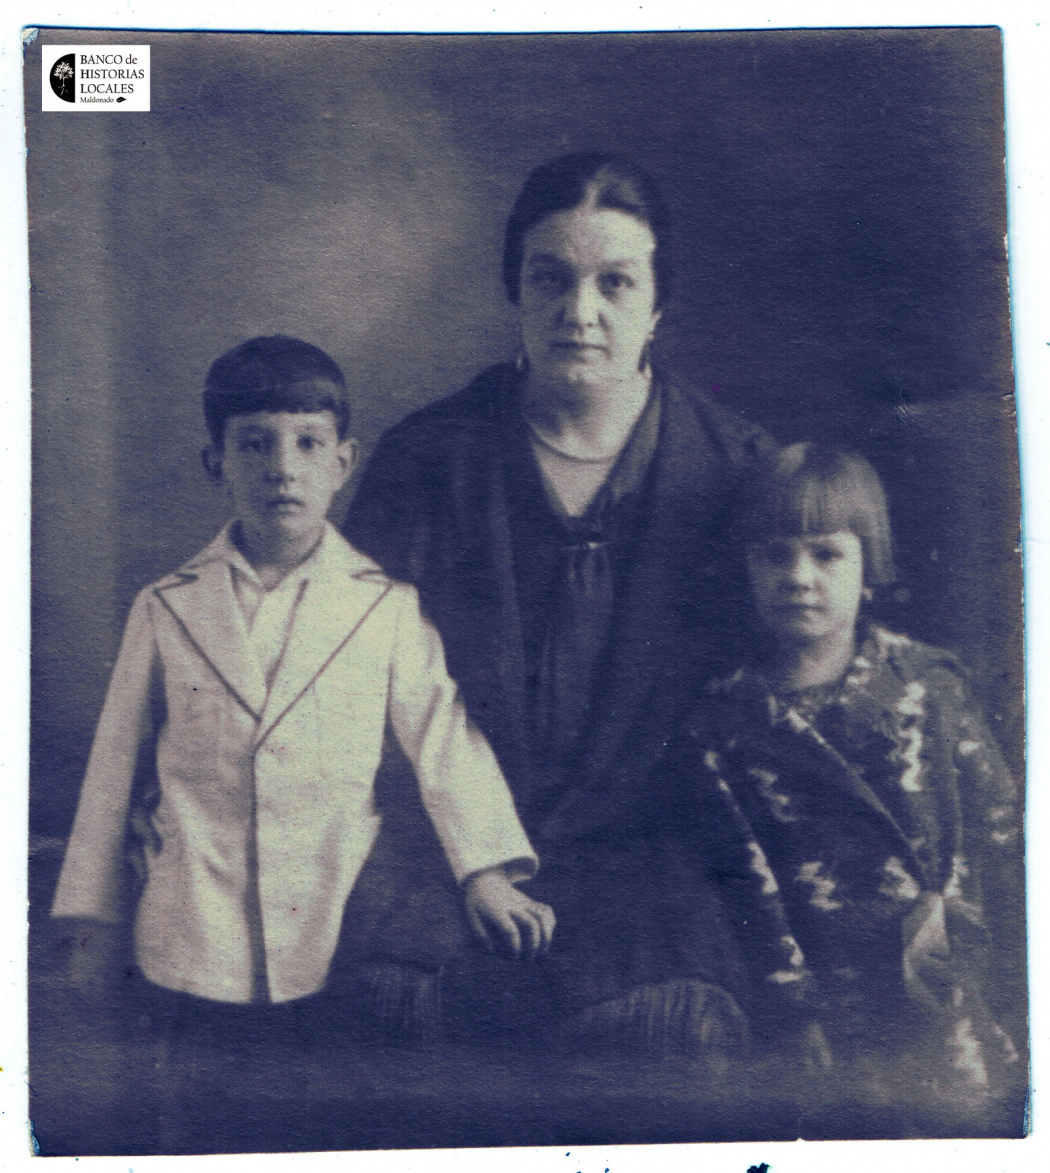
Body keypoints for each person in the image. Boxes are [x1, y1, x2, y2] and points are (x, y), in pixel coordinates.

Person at [342, 153, 773, 1054]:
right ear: (515, 291)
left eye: (615, 282)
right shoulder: (429, 458)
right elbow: (345, 682)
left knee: (676, 1032)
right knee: (385, 1013)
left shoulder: (737, 470)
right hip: (444, 842)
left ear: (659, 305)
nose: (581, 312)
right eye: (551, 278)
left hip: (654, 855)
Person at [50, 335, 554, 1033]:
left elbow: (447, 742)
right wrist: (87, 922)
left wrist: (486, 873)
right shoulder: (165, 605)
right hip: (189, 933)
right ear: (215, 463)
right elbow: (111, 773)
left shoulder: (386, 606)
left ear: (342, 462)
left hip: (334, 922)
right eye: (255, 444)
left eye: (308, 444)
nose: (283, 468)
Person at [668, 443, 1023, 1112]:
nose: (798, 577)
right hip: (827, 1002)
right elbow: (744, 883)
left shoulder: (928, 686)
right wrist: (796, 1010)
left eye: (826, 554)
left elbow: (1004, 834)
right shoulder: (725, 723)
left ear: (869, 568)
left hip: (945, 976)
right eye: (774, 556)